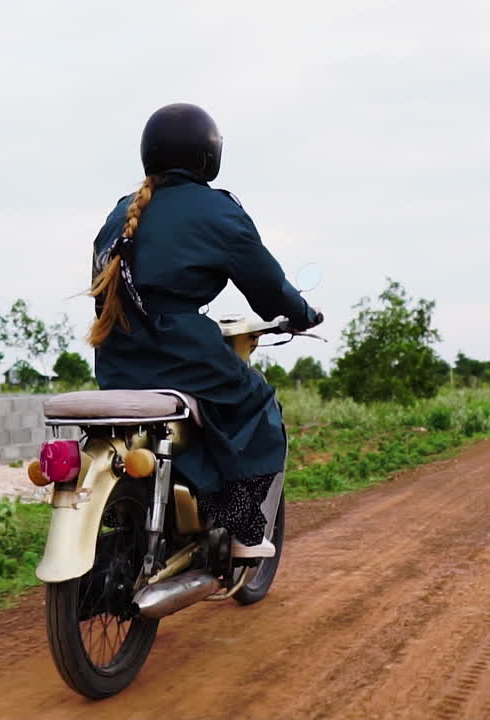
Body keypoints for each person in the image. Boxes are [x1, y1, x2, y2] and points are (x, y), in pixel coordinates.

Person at [87, 102, 322, 558]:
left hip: (116, 361)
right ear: (208, 156)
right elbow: (269, 287)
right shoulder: (217, 210)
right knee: (256, 405)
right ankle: (242, 529)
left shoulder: (119, 214)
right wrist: (303, 313)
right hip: (184, 356)